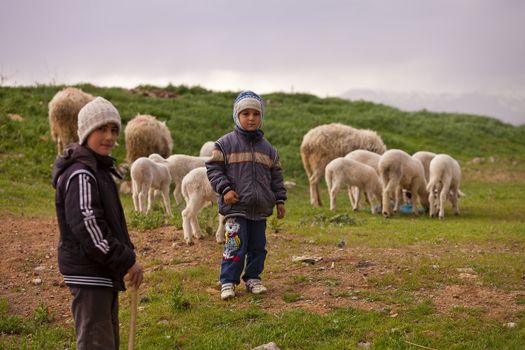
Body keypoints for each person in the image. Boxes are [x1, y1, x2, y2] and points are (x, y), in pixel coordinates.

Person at [52, 97, 143, 349]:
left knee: (106, 340)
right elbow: (89, 228)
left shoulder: (98, 170)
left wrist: (126, 255)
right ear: (86, 132)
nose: (109, 137)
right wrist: (125, 260)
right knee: (96, 343)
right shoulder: (82, 174)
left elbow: (109, 223)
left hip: (100, 272)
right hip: (90, 272)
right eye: (101, 129)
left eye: (114, 130)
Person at [206, 90, 287, 300]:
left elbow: (276, 177)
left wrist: (279, 200)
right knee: (234, 245)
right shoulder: (225, 144)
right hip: (236, 207)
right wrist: (225, 189)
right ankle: (227, 282)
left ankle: (253, 278)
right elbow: (214, 169)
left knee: (258, 246)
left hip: (259, 209)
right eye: (246, 113)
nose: (251, 118)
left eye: (256, 114)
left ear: (261, 117)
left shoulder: (269, 150)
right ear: (237, 116)